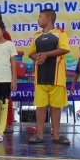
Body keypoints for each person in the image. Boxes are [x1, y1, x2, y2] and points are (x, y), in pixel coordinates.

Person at [27, 9, 70, 145]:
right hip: (40, 77)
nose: (38, 19)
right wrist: (37, 56)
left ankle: (56, 135)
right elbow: (30, 52)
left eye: (40, 16)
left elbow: (64, 49)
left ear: (49, 18)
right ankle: (39, 135)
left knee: (56, 107)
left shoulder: (60, 33)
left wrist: (46, 54)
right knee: (40, 106)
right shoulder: (36, 35)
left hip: (57, 78)